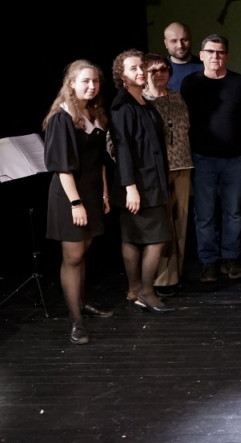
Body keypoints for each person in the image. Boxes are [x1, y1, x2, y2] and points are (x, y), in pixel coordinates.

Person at [42, 61, 113, 344]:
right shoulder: (63, 117)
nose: (91, 86)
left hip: (93, 193)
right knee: (72, 257)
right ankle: (76, 320)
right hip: (69, 196)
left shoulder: (93, 112)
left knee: (83, 252)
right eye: (85, 81)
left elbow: (100, 163)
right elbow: (62, 168)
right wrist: (76, 204)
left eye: (95, 81)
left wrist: (105, 194)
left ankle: (82, 301)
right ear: (70, 83)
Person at [180, 34, 241, 283]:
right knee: (204, 214)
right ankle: (208, 262)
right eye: (210, 52)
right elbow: (185, 124)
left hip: (235, 159)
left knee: (232, 212)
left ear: (227, 56)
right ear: (201, 55)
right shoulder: (190, 84)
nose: (215, 56)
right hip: (203, 159)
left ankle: (230, 260)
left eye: (220, 52)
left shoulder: (240, 83)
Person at [109, 50, 174, 314]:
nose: (140, 71)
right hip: (138, 184)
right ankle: (146, 290)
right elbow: (122, 149)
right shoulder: (122, 106)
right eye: (133, 68)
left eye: (142, 67)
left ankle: (134, 291)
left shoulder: (141, 102)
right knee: (155, 239)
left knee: (134, 238)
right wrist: (130, 187)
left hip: (151, 180)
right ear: (122, 76)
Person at [142, 53, 193, 296]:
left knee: (180, 223)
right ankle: (160, 279)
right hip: (156, 173)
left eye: (164, 69)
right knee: (162, 227)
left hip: (182, 167)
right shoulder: (140, 101)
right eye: (153, 70)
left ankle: (175, 274)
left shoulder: (177, 97)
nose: (159, 73)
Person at [163, 22, 204, 92]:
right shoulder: (159, 70)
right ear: (166, 43)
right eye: (174, 41)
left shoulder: (205, 67)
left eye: (184, 40)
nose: (180, 46)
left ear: (191, 40)